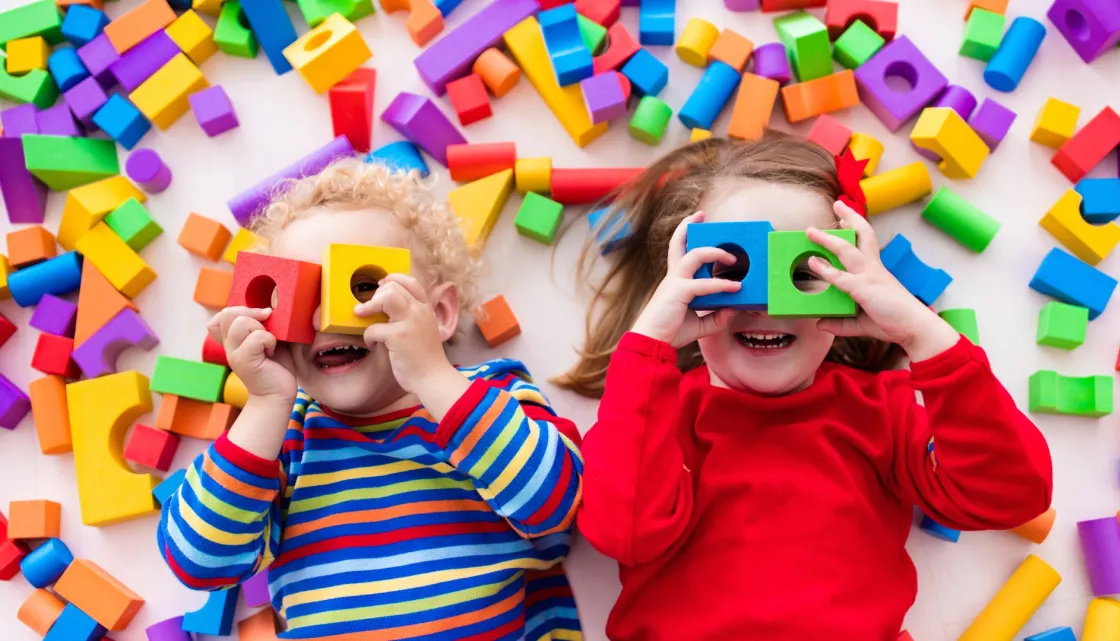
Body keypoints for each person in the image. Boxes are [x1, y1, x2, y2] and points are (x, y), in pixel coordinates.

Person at [556, 134, 1053, 639]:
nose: (767, 305)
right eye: (734, 271)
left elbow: (1012, 496)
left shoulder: (882, 411)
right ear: (685, 283)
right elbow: (624, 534)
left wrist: (924, 336)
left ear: (852, 288)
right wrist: (647, 349)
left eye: (800, 273)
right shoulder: (656, 412)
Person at [156, 158, 584, 640]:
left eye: (361, 286)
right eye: (298, 298)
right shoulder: (281, 437)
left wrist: (431, 375)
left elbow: (555, 503)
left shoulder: (487, 396)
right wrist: (264, 404)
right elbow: (199, 563)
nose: (326, 320)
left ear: (440, 313)